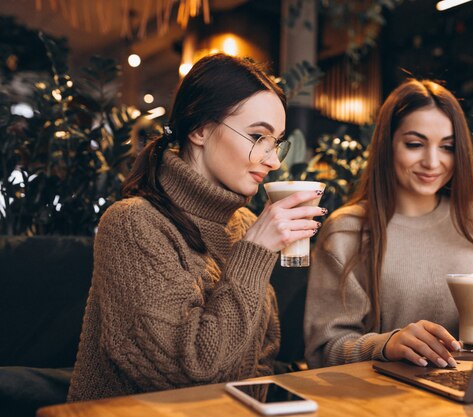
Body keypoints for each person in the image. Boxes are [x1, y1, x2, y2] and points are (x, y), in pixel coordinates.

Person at [68, 54, 325, 401]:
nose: (273, 160)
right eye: (257, 137)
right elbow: (185, 375)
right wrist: (256, 253)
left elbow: (261, 353)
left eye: (276, 142)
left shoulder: (244, 224)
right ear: (200, 129)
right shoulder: (131, 223)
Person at [304, 79, 473, 370]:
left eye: (447, 147)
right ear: (388, 146)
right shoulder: (348, 230)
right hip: (383, 401)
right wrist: (385, 345)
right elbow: (323, 351)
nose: (433, 162)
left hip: (466, 391)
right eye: (415, 144)